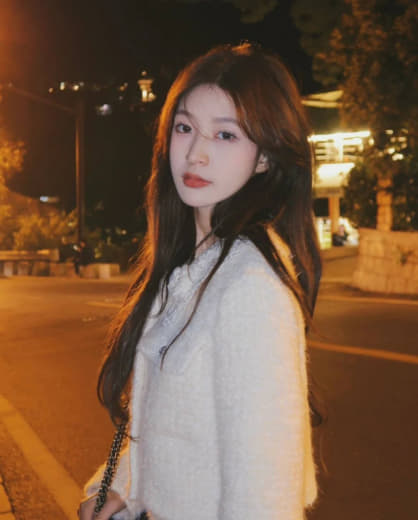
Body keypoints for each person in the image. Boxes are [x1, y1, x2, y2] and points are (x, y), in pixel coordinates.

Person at [79, 42, 323, 520]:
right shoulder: (191, 267)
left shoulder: (248, 287)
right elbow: (174, 426)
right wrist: (125, 486)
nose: (196, 154)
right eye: (185, 128)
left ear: (265, 158)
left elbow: (264, 497)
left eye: (226, 135)